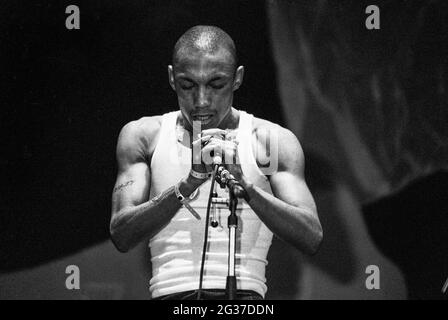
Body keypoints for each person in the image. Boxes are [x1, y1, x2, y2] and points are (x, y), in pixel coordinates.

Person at [110, 25, 322, 300]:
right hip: (171, 296)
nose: (201, 100)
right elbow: (122, 234)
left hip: (244, 299)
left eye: (215, 84)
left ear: (237, 78)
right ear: (172, 78)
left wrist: (245, 186)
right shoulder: (146, 136)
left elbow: (310, 236)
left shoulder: (266, 140)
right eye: (188, 85)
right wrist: (187, 185)